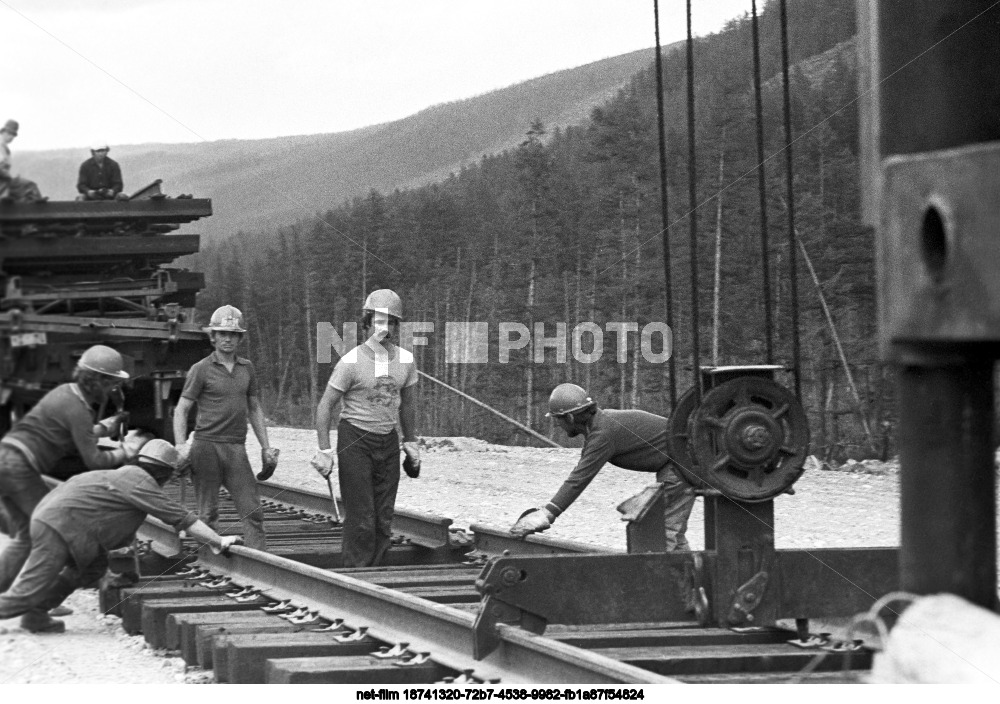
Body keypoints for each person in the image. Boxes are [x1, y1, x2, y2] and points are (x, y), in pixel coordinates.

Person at [0, 440, 241, 633]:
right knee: (30, 587)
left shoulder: (123, 476)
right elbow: (183, 518)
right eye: (170, 476)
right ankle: (24, 608)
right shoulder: (140, 483)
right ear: (164, 472)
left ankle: (36, 615)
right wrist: (218, 542)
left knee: (91, 569)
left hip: (60, 524)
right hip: (61, 528)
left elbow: (115, 524)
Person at [0, 344, 141, 632]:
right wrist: (127, 452)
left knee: (26, 537)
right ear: (98, 381)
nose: (114, 389)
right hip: (18, 468)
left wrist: (103, 427)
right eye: (113, 383)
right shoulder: (76, 407)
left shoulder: (66, 393)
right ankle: (31, 606)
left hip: (9, 461)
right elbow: (94, 460)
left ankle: (36, 610)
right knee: (57, 528)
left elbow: (70, 431)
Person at [509, 383, 695, 550]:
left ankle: (664, 582)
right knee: (670, 532)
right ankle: (693, 579)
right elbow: (581, 472)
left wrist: (547, 514)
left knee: (661, 531)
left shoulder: (603, 433)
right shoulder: (600, 426)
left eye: (558, 419)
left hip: (682, 464)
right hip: (678, 463)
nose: (557, 425)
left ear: (571, 418)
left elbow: (579, 478)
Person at [312, 289, 420, 568]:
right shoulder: (350, 362)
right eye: (379, 321)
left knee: (383, 517)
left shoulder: (406, 361)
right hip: (355, 440)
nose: (385, 328)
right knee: (361, 518)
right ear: (367, 323)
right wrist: (324, 450)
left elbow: (407, 405)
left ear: (397, 327)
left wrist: (411, 441)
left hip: (388, 441)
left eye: (391, 322)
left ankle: (378, 575)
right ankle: (356, 577)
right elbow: (325, 407)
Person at [173, 305, 277, 551]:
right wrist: (180, 446)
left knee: (252, 510)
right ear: (213, 337)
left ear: (240, 337)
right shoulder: (200, 369)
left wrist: (266, 447)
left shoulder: (247, 368)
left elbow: (254, 408)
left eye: (233, 334)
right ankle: (209, 562)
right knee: (207, 513)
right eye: (222, 333)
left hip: (235, 448)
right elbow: (181, 409)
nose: (227, 338)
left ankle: (258, 564)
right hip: (205, 447)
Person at [0, 119, 45, 204]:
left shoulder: (5, 148)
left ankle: (31, 205)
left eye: (13, 135)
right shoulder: (1, 146)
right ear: (3, 132)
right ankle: (38, 207)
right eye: (9, 133)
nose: (11, 137)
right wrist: (10, 176)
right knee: (30, 186)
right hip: (3, 182)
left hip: (4, 181)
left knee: (24, 191)